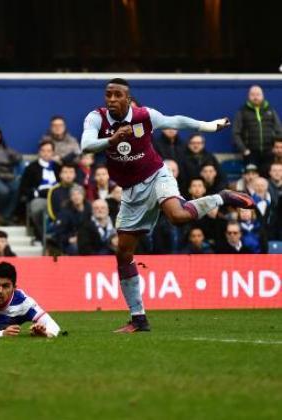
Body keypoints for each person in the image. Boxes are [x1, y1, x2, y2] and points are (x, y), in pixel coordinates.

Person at [81, 78, 254, 333]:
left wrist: (207, 126)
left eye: (118, 95)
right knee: (123, 253)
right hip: (131, 192)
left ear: (128, 99)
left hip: (156, 176)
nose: (111, 100)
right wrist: (112, 139)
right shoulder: (96, 118)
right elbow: (86, 146)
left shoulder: (144, 116)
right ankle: (138, 319)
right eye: (108, 95)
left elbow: (176, 121)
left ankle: (222, 197)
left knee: (177, 215)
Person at [232, 85, 282, 169]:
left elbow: (279, 130)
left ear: (262, 95)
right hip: (250, 154)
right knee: (251, 178)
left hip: (269, 153)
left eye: (258, 94)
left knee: (268, 178)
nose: (255, 97)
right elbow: (235, 133)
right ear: (248, 96)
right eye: (252, 94)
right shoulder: (242, 111)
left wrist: (276, 148)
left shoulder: (270, 110)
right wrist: (244, 150)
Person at [19, 140, 58, 240]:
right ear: (39, 152)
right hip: (40, 198)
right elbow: (23, 188)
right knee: (36, 206)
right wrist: (36, 193)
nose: (46, 153)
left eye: (49, 151)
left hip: (58, 198)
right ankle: (42, 235)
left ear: (53, 152)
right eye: (43, 151)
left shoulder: (58, 167)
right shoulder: (31, 168)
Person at [54, 186, 91, 255]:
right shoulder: (64, 212)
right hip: (71, 241)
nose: (76, 197)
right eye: (73, 195)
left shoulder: (90, 208)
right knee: (75, 248)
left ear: (83, 196)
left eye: (79, 194)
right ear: (70, 197)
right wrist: (68, 239)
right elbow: (59, 233)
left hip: (88, 239)